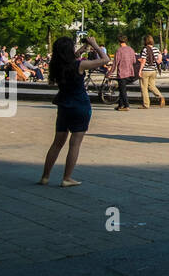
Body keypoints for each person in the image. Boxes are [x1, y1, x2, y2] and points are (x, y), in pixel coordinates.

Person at [40, 37, 110, 186]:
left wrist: (83, 49)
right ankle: (67, 178)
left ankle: (45, 176)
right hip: (80, 105)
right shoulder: (80, 65)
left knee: (57, 143)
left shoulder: (56, 65)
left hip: (63, 105)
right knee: (75, 144)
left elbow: (70, 59)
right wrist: (94, 45)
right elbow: (105, 59)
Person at [138, 34, 166, 108]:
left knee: (144, 88)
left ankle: (146, 104)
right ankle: (160, 97)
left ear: (145, 41)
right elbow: (159, 60)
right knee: (152, 86)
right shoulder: (156, 49)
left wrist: (140, 70)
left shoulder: (145, 49)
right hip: (153, 71)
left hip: (145, 71)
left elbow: (143, 61)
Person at [112, 35, 137, 111]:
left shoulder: (119, 50)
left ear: (119, 42)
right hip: (130, 73)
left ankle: (126, 106)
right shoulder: (131, 49)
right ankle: (120, 105)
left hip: (122, 73)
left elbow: (115, 63)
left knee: (123, 90)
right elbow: (134, 61)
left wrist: (109, 73)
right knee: (121, 89)